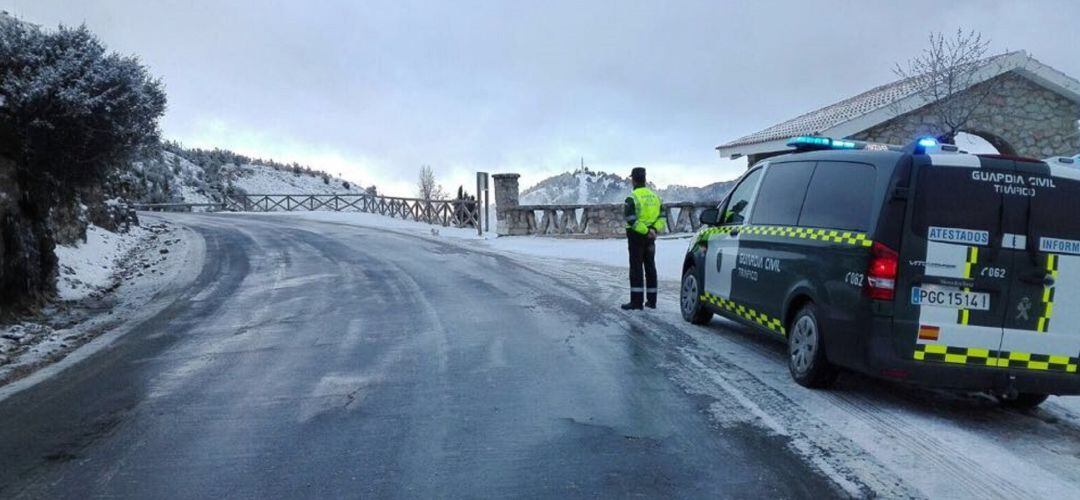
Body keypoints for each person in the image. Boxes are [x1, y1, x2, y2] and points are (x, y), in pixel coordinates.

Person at [622, 167, 666, 310]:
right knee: (650, 267)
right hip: (651, 237)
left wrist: (645, 231)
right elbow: (662, 217)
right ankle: (652, 301)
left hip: (636, 237)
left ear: (633, 180)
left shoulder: (632, 198)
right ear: (645, 179)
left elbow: (630, 219)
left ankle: (636, 302)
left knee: (636, 269)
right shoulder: (656, 197)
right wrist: (653, 230)